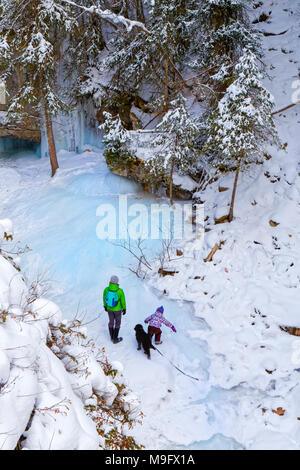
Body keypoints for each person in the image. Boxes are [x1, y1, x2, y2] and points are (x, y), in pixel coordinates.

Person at [103, 275, 126, 344]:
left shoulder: (106, 289)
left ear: (110, 281)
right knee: (118, 323)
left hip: (109, 308)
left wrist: (105, 306)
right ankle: (115, 338)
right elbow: (123, 301)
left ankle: (111, 337)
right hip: (118, 309)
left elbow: (104, 298)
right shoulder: (120, 291)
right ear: (117, 282)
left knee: (111, 322)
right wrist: (124, 308)